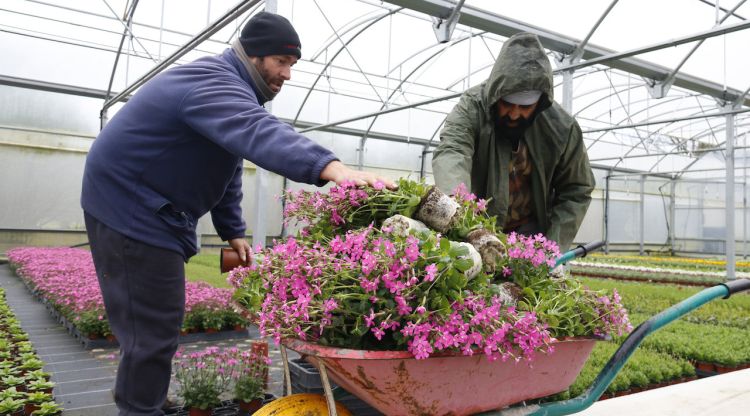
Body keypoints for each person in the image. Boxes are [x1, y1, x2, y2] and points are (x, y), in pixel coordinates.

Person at [81, 12, 393, 416]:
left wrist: (233, 231)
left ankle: (148, 400)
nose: (288, 74)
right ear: (256, 55)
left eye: (292, 65)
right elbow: (256, 131)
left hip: (145, 207)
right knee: (151, 331)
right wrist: (335, 169)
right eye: (282, 62)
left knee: (155, 326)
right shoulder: (212, 82)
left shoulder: (230, 90)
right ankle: (141, 409)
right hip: (130, 210)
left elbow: (225, 162)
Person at [432, 32, 594, 252]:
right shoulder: (473, 107)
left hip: (530, 232)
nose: (515, 114)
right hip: (477, 228)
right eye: (507, 104)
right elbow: (453, 149)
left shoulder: (562, 128)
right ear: (497, 94)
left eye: (525, 107)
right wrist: (456, 204)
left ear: (540, 103)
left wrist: (553, 247)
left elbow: (576, 189)